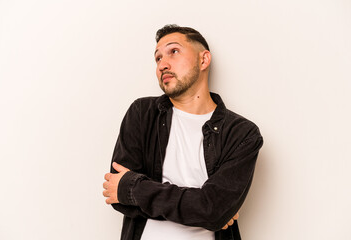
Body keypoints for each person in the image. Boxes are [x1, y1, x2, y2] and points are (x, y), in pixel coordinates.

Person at [102, 24, 263, 240]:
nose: (162, 64)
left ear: (203, 60)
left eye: (173, 52)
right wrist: (205, 208)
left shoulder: (242, 134)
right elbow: (118, 194)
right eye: (157, 58)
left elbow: (213, 210)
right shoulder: (142, 114)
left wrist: (135, 190)